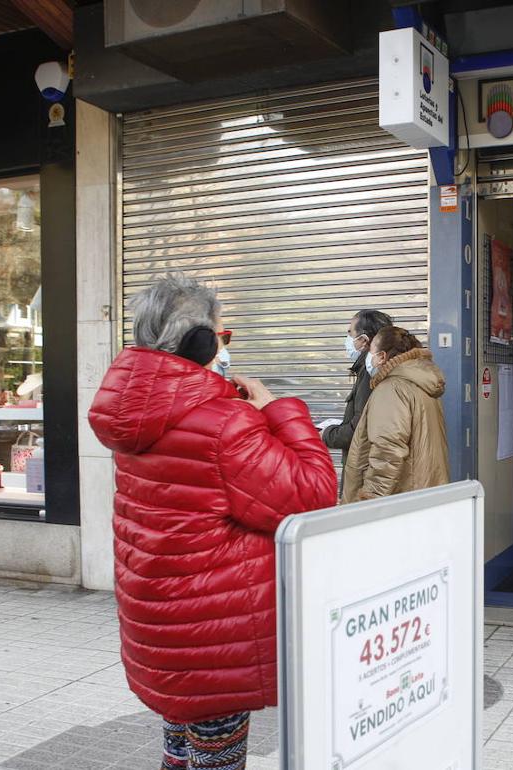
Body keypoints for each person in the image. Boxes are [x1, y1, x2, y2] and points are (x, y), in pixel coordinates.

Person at [88, 275, 337, 770]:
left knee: (180, 746)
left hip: (161, 622)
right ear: (201, 343)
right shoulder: (225, 423)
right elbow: (313, 493)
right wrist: (277, 410)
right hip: (213, 628)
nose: (226, 349)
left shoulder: (135, 414)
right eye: (224, 337)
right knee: (217, 756)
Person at [341, 325, 449, 503]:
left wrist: (368, 502)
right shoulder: (420, 384)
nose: (368, 357)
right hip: (422, 494)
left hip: (400, 501)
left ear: (382, 356)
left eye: (372, 351)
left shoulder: (392, 389)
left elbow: (387, 452)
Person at [321, 310, 393, 481]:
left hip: (365, 473)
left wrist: (326, 434)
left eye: (350, 333)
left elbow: (360, 430)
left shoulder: (372, 373)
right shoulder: (376, 369)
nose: (347, 340)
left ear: (363, 340)